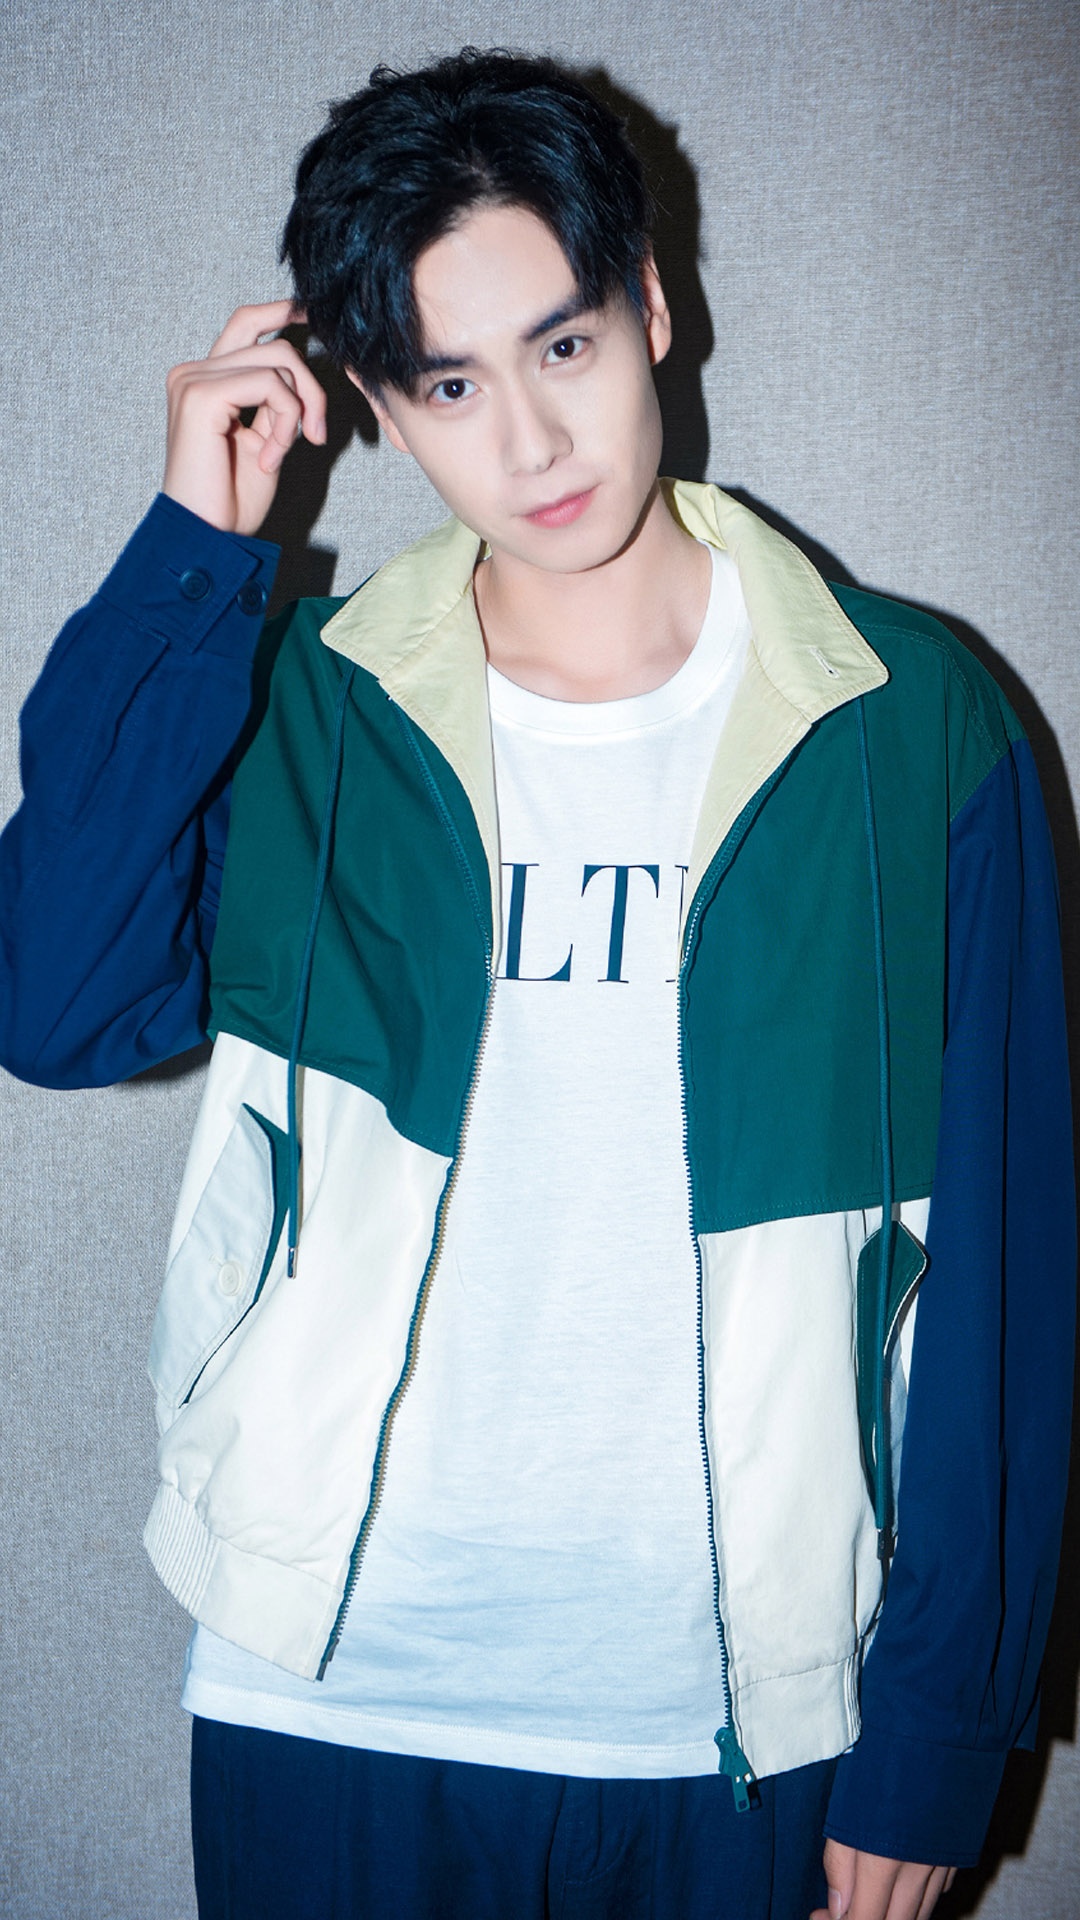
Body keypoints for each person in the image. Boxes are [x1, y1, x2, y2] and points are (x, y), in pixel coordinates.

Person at [0, 46, 1074, 1920]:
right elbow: (60, 1000)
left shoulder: (908, 729)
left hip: (744, 1723)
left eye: (562, 345)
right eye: (450, 383)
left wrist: (940, 1731)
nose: (532, 442)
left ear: (651, 307)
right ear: (380, 412)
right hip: (328, 1691)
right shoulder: (311, 711)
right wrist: (193, 562)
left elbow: (1009, 1266)